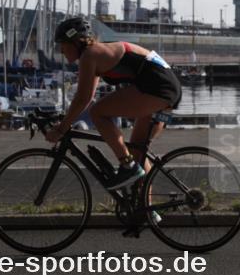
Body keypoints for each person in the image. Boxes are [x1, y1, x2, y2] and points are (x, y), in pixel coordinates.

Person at [43, 16, 182, 191]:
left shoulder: (90, 54)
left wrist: (61, 129)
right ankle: (148, 212)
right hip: (169, 90)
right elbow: (86, 97)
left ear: (75, 41)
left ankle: (127, 165)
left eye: (61, 44)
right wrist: (65, 121)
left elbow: (82, 99)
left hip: (158, 88)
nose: (61, 51)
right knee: (137, 153)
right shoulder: (97, 53)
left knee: (98, 112)